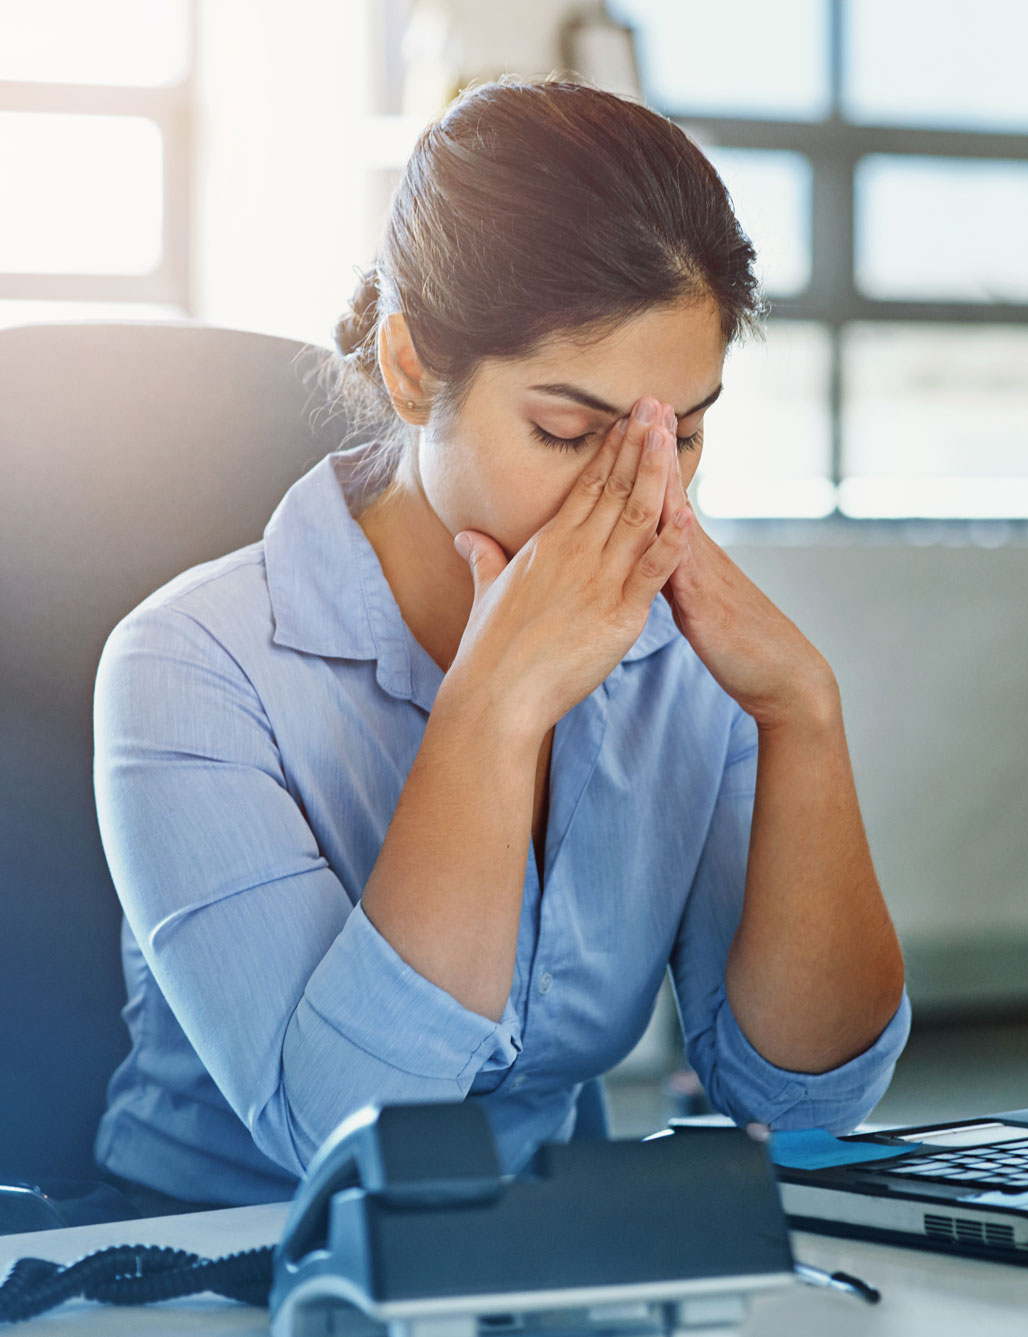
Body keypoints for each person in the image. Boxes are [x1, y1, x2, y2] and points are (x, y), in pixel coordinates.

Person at [92, 78, 910, 1211]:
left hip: (541, 1252)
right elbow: (347, 1138)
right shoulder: (190, 666)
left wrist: (801, 715)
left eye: (687, 429)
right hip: (219, 1261)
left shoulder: (685, 652)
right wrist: (498, 706)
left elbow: (806, 1109)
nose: (642, 493)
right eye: (567, 432)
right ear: (414, 368)